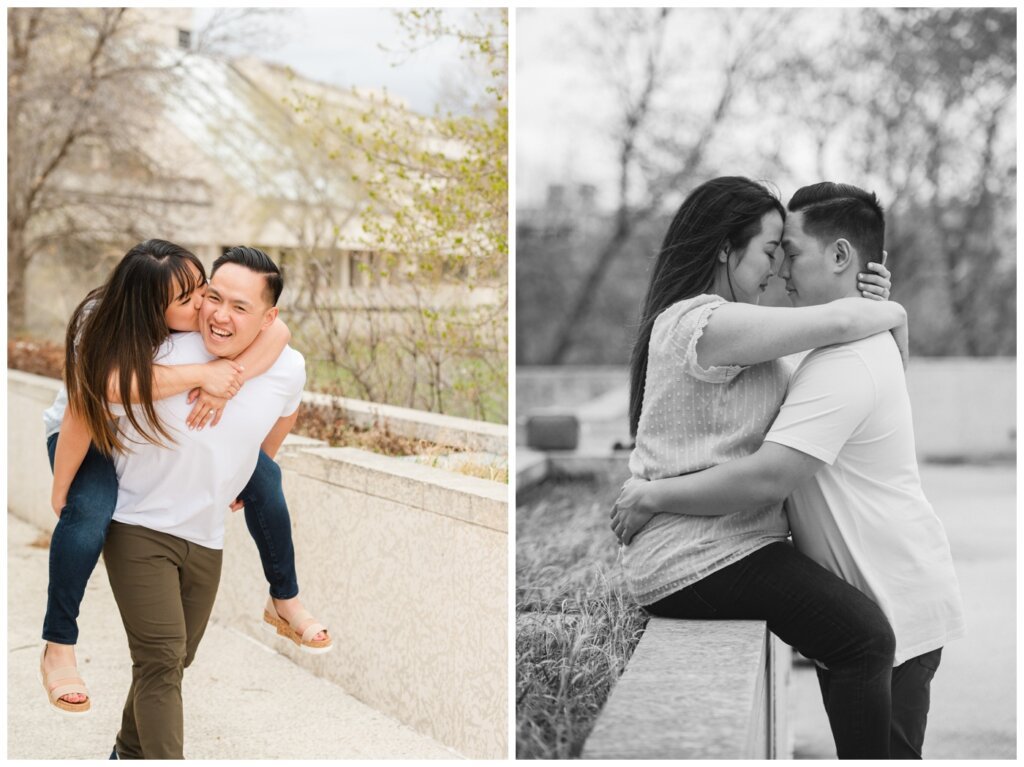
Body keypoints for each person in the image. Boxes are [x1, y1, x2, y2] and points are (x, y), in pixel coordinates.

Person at [611, 182, 965, 758]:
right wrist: (888, 309)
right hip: (700, 554)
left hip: (725, 544)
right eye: (771, 250)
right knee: (865, 637)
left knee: (863, 639)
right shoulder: (704, 323)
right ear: (727, 248)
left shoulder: (739, 326)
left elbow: (861, 356)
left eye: (787, 252)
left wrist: (886, 313)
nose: (778, 270)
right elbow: (843, 328)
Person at [39, 240, 329, 717]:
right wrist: (61, 489)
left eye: (203, 289)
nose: (203, 306)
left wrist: (226, 383)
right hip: (84, 437)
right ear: (152, 307)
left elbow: (278, 332)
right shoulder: (103, 323)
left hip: (145, 437)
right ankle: (58, 646)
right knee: (89, 512)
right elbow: (85, 407)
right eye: (190, 299)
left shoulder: (201, 317)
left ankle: (284, 598)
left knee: (267, 477)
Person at [100, 245, 307, 758]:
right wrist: (206, 377)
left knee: (173, 661)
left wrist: (249, 467)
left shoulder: (286, 366)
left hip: (205, 536)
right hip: (137, 525)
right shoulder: (169, 344)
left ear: (268, 317)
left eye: (240, 307)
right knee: (161, 660)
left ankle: (125, 753)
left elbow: (286, 413)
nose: (218, 313)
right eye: (213, 297)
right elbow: (109, 386)